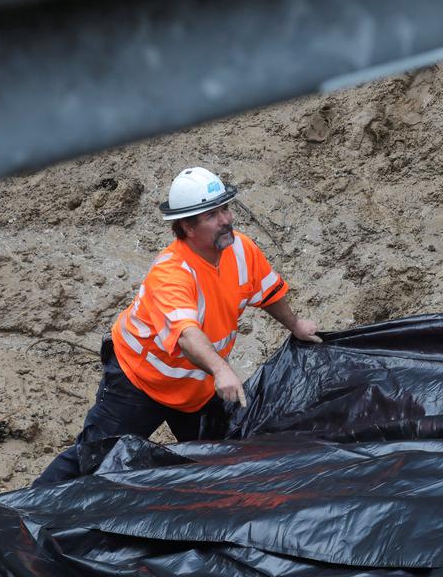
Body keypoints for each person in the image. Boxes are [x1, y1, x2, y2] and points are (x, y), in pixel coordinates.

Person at [34, 167, 320, 485]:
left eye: (225, 208)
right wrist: (221, 369)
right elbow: (186, 334)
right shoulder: (171, 273)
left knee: (216, 463)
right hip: (139, 383)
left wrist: (295, 324)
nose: (226, 219)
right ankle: (24, 512)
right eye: (212, 214)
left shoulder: (241, 250)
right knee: (93, 459)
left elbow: (266, 291)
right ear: (187, 225)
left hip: (194, 389)